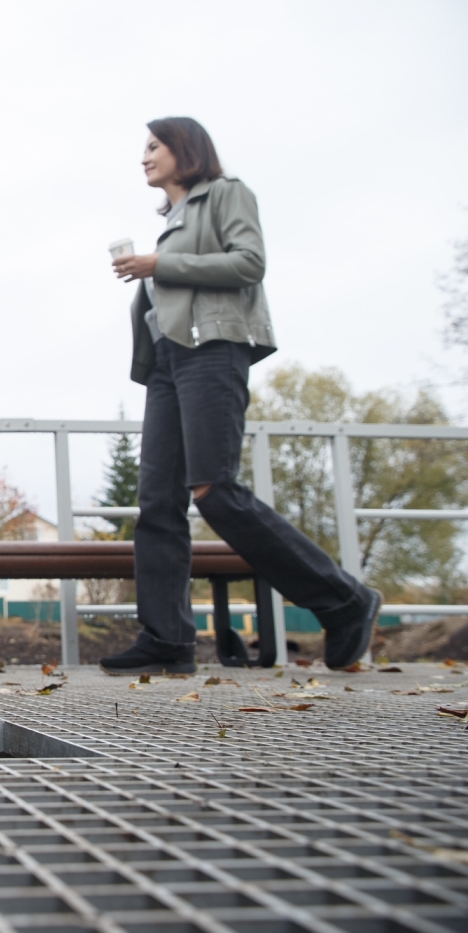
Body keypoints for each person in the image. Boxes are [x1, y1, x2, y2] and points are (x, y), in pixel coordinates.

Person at [102, 117, 380, 675]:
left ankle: (344, 601)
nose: (144, 156)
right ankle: (166, 638)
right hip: (167, 362)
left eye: (154, 146)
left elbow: (250, 263)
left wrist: (159, 265)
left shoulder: (226, 193)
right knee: (157, 503)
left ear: (185, 148)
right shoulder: (173, 220)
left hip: (211, 349)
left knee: (214, 490)